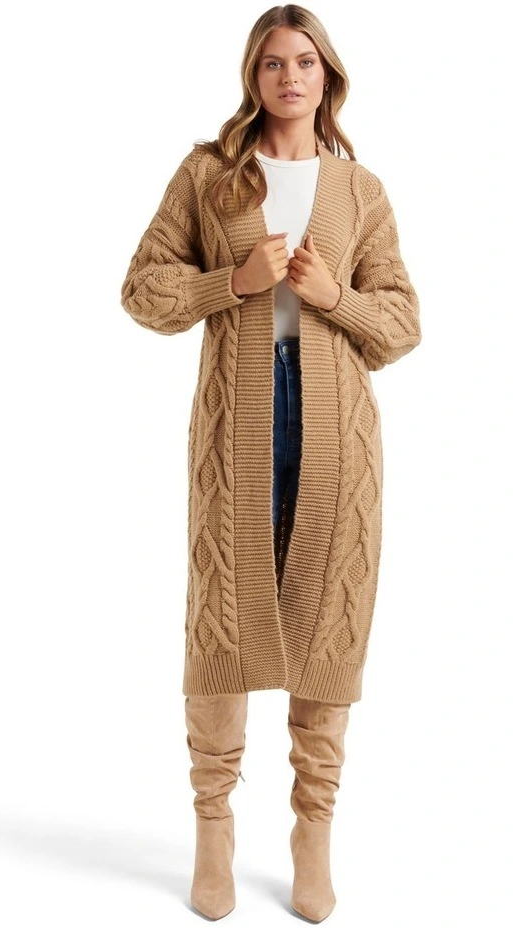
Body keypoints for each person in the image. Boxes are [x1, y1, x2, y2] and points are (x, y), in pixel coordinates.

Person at [120, 4, 421, 922]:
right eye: (273, 63)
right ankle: (213, 827)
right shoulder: (211, 175)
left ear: (329, 75)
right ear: (253, 77)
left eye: (306, 62)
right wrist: (234, 283)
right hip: (236, 428)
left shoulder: (360, 190)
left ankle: (311, 833)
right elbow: (142, 289)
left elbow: (402, 323)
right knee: (222, 619)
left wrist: (331, 296)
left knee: (328, 620)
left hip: (336, 434)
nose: (290, 77)